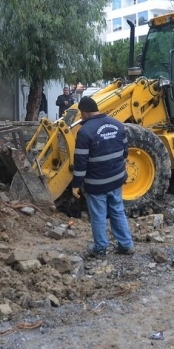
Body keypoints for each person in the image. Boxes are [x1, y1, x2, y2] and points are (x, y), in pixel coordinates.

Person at [71, 96, 134, 258]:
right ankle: (126, 245)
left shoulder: (84, 132)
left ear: (84, 112)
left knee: (98, 215)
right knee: (117, 211)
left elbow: (81, 162)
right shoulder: (118, 125)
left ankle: (100, 248)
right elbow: (125, 152)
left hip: (96, 183)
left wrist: (76, 184)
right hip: (116, 179)